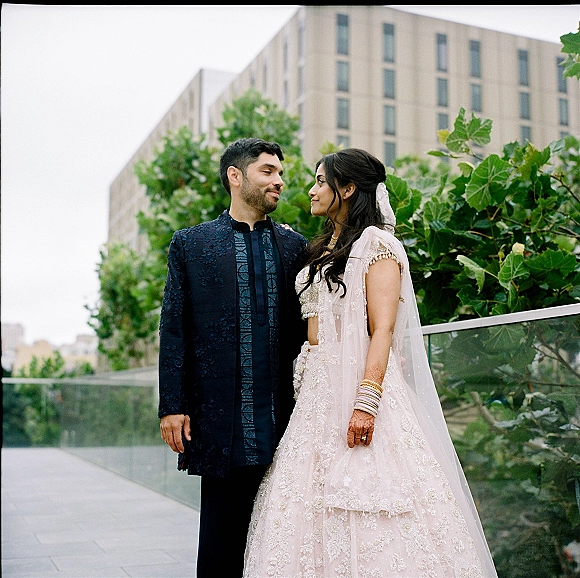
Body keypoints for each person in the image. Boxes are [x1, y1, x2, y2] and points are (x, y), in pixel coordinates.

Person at [243, 148, 498, 577]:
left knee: (368, 499)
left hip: (359, 388)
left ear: (348, 189)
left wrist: (366, 400)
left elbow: (382, 328)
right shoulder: (323, 247)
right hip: (316, 392)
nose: (311, 189)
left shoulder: (378, 245)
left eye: (321, 181)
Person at [157, 137, 308, 577]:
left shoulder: (296, 246)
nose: (279, 181)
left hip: (287, 420)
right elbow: (174, 329)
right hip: (220, 419)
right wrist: (173, 406)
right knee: (221, 542)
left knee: (280, 539)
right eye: (268, 171)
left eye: (280, 172)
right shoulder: (191, 244)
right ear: (235, 176)